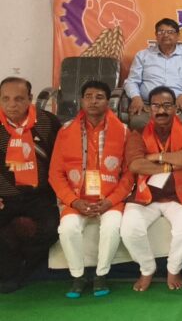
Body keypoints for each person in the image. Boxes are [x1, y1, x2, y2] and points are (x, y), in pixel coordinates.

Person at [49, 80, 133, 298]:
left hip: (110, 200)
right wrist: (74, 201)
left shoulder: (123, 132)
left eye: (99, 97)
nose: (93, 101)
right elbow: (55, 174)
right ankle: (78, 276)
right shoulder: (65, 131)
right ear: (81, 100)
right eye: (88, 96)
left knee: (111, 227)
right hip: (77, 199)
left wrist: (110, 201)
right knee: (67, 229)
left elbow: (128, 175)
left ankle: (101, 275)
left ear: (108, 102)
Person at [120, 86, 182, 292]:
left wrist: (157, 157)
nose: (162, 111)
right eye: (156, 106)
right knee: (129, 230)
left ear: (175, 108)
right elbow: (136, 164)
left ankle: (174, 268)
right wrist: (172, 164)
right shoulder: (138, 133)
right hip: (146, 197)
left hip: (180, 196)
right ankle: (147, 268)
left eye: (167, 105)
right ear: (149, 109)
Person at [0, 77, 61, 294]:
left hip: (40, 195)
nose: (12, 105)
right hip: (5, 196)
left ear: (30, 99)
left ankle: (24, 265)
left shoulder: (47, 122)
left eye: (18, 99)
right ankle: (9, 273)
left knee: (52, 229)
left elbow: (61, 159)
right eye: (5, 99)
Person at [123, 18, 182, 128]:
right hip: (147, 107)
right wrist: (135, 97)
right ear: (156, 35)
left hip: (176, 106)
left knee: (175, 127)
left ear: (178, 36)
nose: (165, 35)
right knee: (138, 123)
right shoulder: (142, 55)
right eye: (161, 32)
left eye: (170, 32)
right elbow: (131, 81)